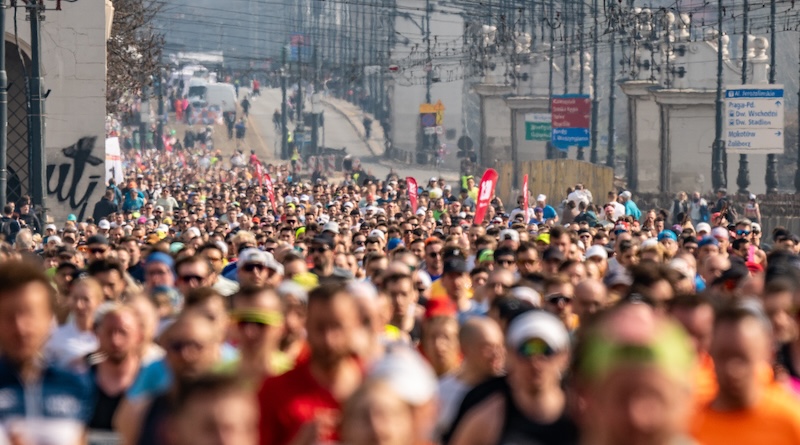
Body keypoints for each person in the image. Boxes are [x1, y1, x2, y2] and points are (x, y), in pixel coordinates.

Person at [449, 311, 578, 445]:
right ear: (510, 355)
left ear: (564, 357)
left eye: (546, 351)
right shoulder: (487, 415)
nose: (535, 362)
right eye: (525, 350)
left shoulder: (582, 413)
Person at [0, 261, 93, 444]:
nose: (20, 328)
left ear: (49, 318)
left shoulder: (75, 386)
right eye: (9, 316)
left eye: (29, 314)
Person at [259, 283, 364, 445]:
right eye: (320, 328)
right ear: (306, 326)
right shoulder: (274, 391)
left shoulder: (377, 384)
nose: (329, 340)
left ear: (355, 325)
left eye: (337, 326)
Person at [691, 302, 800, 445]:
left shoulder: (790, 419)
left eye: (743, 357)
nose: (733, 369)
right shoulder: (689, 423)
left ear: (767, 355)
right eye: (723, 356)